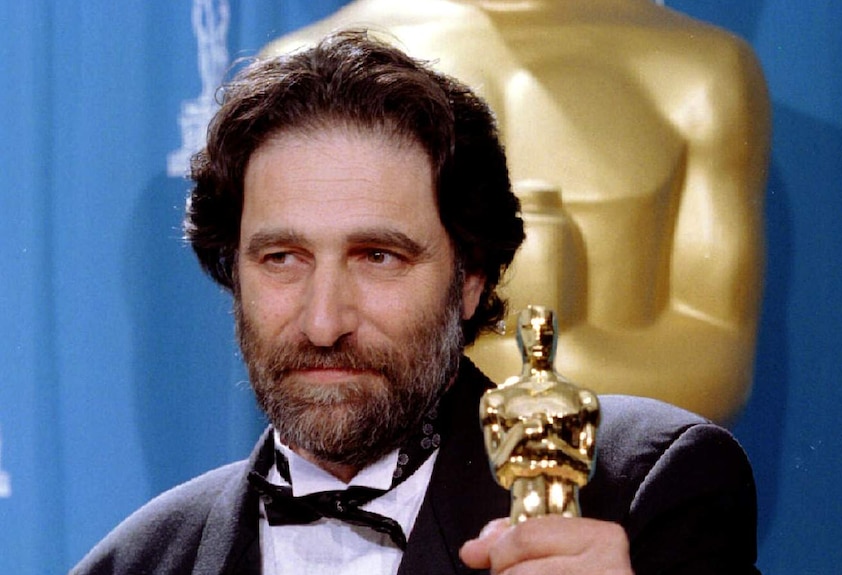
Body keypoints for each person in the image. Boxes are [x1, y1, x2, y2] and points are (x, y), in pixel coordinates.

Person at [72, 31, 759, 574]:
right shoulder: (137, 561)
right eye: (282, 258)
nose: (323, 322)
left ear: (470, 278)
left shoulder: (641, 495)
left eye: (378, 257)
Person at [264, 0, 772, 424]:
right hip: (364, 508)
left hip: (609, 508)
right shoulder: (301, 67)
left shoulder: (702, 72)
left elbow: (717, 361)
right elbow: (293, 348)